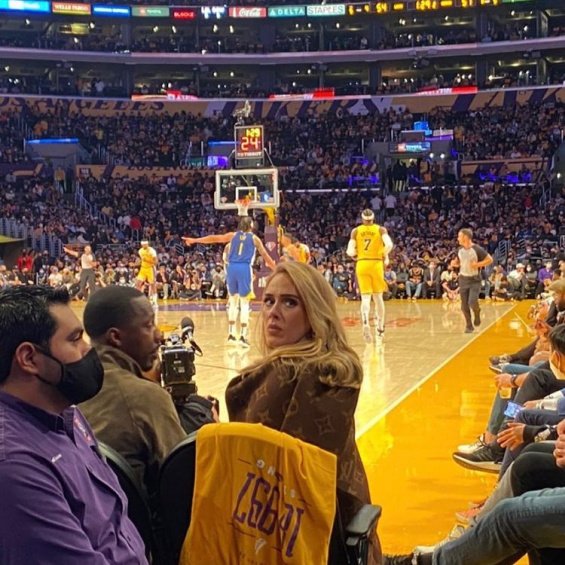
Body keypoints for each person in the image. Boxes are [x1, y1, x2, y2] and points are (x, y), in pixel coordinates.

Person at [225, 262, 382, 564]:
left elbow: (253, 463)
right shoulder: (332, 367)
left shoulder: (289, 374)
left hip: (282, 536)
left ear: (314, 313)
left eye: (289, 302)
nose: (273, 311)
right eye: (269, 300)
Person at [0, 286, 147, 563]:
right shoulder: (15, 467)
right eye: (75, 339)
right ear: (29, 359)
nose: (88, 349)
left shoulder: (66, 413)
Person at [79, 286, 187, 502]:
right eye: (148, 325)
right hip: (136, 529)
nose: (159, 335)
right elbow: (185, 475)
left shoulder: (69, 385)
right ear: (116, 337)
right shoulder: (145, 397)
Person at [183, 216, 276, 347]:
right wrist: (277, 268)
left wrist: (194, 240)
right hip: (244, 268)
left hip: (232, 268)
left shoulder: (232, 236)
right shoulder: (254, 239)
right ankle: (243, 336)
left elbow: (213, 238)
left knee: (233, 301)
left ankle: (231, 334)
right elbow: (266, 256)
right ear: (251, 226)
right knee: (244, 303)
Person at [346, 208, 393, 343]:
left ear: (362, 219)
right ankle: (380, 327)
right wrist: (383, 253)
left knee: (365, 298)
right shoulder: (380, 229)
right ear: (373, 219)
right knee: (378, 297)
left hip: (362, 264)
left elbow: (349, 251)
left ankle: (366, 322)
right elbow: (389, 244)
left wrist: (355, 254)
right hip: (376, 264)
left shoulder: (356, 231)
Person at [455, 228, 493, 333]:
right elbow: (459, 262)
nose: (457, 238)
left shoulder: (477, 249)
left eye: (459, 236)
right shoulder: (459, 250)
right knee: (464, 305)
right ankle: (469, 325)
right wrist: (455, 264)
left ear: (466, 237)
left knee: (472, 301)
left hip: (474, 279)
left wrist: (477, 265)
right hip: (463, 279)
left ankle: (477, 313)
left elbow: (490, 259)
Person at [135, 240, 158, 307]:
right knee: (138, 284)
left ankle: (154, 301)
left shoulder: (152, 251)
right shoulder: (140, 251)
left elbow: (156, 262)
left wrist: (147, 260)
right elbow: (140, 260)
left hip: (150, 268)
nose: (143, 246)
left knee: (152, 285)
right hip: (143, 269)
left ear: (147, 244)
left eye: (145, 244)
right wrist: (135, 264)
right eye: (142, 245)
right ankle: (138, 299)